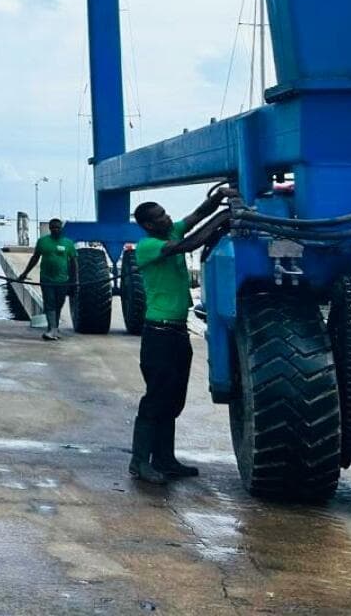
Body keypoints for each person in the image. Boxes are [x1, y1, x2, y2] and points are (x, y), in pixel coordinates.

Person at [128, 184, 236, 484]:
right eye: (160, 216)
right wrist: (225, 217)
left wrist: (219, 199)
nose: (167, 217)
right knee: (156, 398)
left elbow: (196, 216)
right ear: (148, 224)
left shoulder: (170, 230)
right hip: (158, 334)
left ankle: (165, 459)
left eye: (165, 213)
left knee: (174, 399)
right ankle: (140, 462)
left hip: (177, 333)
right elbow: (189, 244)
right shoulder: (148, 245)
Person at [18, 218, 76, 342]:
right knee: (49, 304)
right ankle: (51, 330)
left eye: (57, 228)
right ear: (49, 229)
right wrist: (24, 273)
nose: (55, 230)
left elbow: (73, 263)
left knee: (58, 305)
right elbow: (35, 258)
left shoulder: (68, 243)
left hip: (63, 280)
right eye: (53, 228)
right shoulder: (42, 242)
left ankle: (54, 329)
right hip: (46, 279)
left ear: (61, 229)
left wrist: (74, 281)